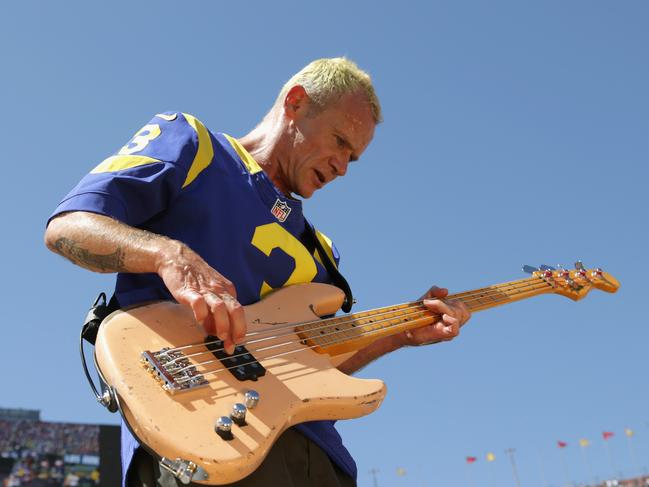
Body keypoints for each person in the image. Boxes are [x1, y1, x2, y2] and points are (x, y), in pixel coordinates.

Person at [45, 58, 471, 487]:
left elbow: (314, 371)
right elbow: (70, 226)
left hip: (321, 461)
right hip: (202, 439)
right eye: (340, 142)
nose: (342, 166)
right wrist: (166, 254)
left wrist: (401, 332)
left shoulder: (323, 254)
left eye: (353, 158)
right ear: (296, 102)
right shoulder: (195, 145)